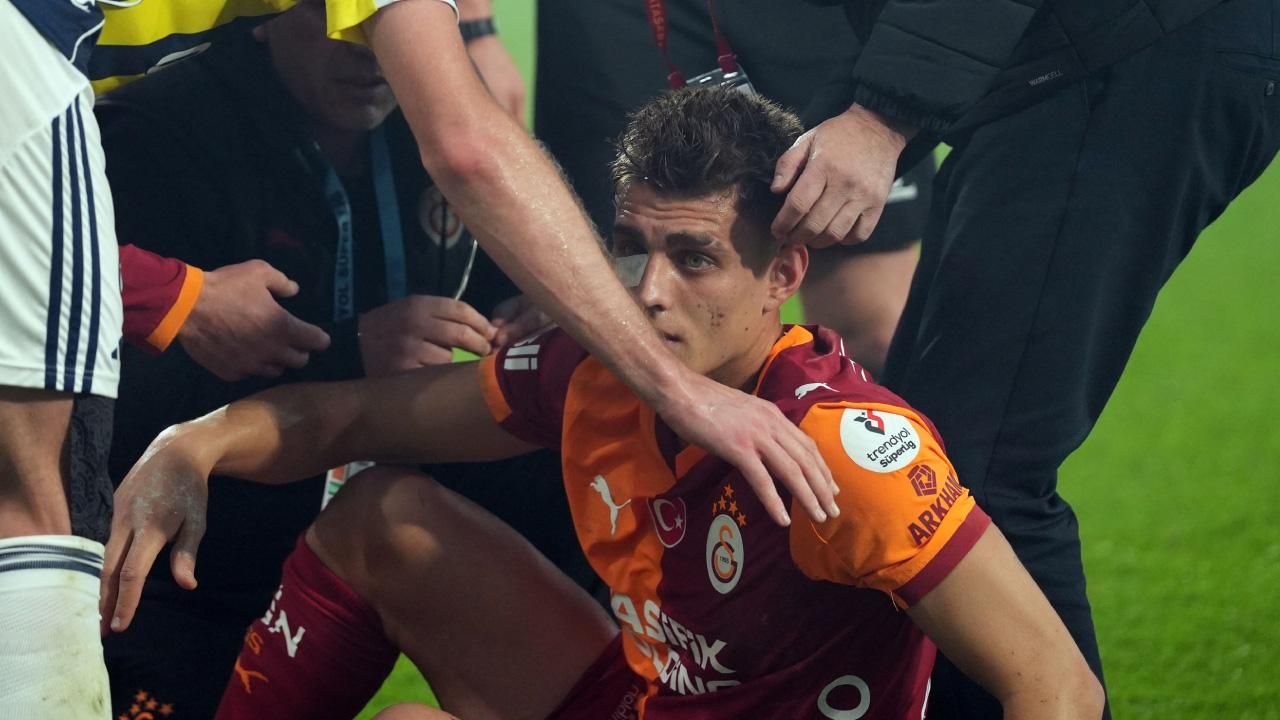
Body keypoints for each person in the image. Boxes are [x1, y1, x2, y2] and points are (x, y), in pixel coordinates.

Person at [104, 87, 1104, 720]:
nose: (650, 292)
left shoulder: (849, 449)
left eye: (695, 258)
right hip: (643, 701)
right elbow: (351, 421)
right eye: (632, 249)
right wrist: (196, 442)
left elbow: (1057, 688)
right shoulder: (592, 375)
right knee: (382, 520)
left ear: (782, 274)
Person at [771, 0, 1280, 715]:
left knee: (979, 478)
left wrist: (881, 117)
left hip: (1113, 51)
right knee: (932, 453)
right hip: (1048, 62)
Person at [95, 4, 594, 717]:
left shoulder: (436, 118)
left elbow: (479, 285)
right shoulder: (160, 130)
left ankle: (645, 671)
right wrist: (351, 349)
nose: (364, 41)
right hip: (206, 548)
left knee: (561, 430)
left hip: (379, 492)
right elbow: (113, 397)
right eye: (328, 7)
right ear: (262, 11)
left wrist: (523, 310)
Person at [535, 0, 931, 376]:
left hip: (816, 22)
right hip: (623, 18)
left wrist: (879, 123)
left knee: (874, 331)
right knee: (626, 304)